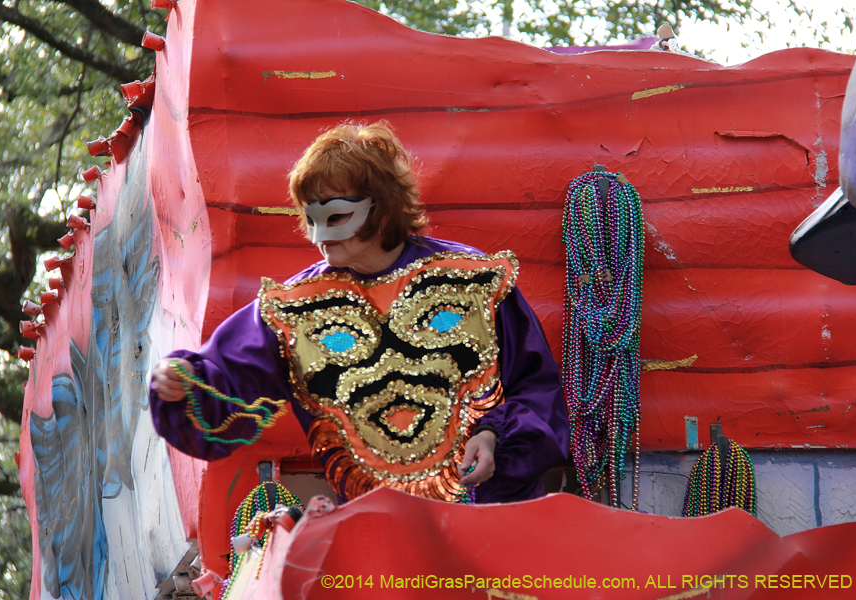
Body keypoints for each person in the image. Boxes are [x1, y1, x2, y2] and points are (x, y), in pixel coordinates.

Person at [150, 122, 569, 503]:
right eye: (309, 214)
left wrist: (496, 434)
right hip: (379, 530)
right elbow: (228, 372)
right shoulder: (299, 307)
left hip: (495, 514)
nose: (319, 235)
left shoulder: (472, 282)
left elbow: (535, 384)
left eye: (335, 213)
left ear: (382, 206)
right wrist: (184, 384)